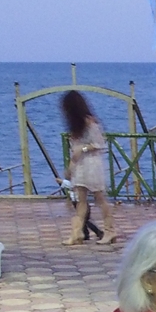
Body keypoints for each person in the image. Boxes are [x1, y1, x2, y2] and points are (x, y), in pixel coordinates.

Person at [60, 90, 117, 246]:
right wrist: (70, 168)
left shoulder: (90, 123)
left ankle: (110, 230)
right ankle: (76, 233)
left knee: (100, 198)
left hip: (92, 164)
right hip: (80, 165)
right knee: (81, 201)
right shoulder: (75, 127)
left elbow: (100, 144)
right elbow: (74, 150)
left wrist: (83, 149)